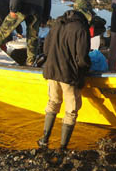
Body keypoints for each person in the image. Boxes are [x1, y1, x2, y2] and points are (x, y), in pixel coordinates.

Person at [37, 9, 91, 150]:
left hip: (51, 71)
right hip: (69, 76)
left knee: (53, 102)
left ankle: (44, 139)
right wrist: (84, 72)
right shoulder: (81, 29)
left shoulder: (57, 24)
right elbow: (82, 58)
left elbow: (46, 49)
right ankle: (62, 147)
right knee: (71, 111)